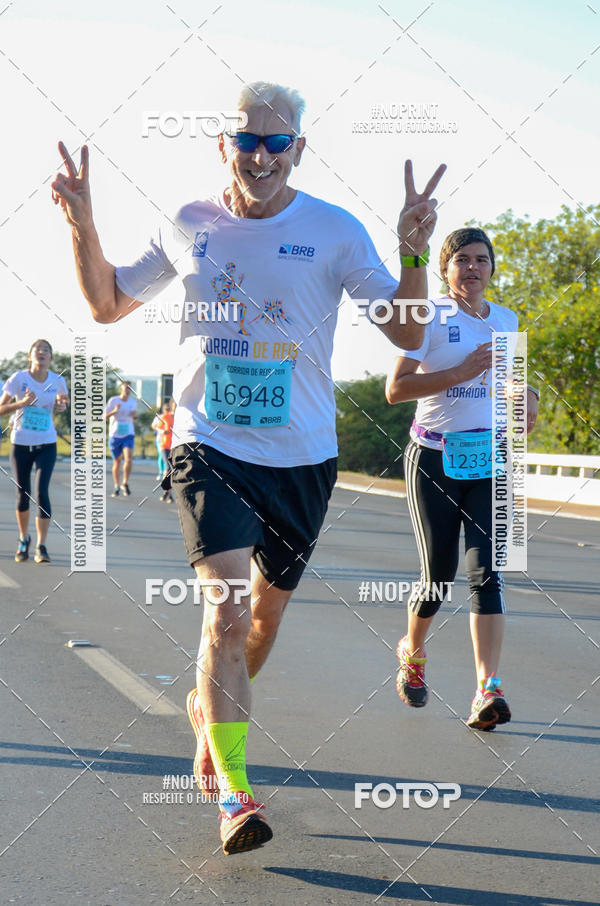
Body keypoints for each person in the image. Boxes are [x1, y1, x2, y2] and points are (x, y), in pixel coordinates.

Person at [52, 80, 445, 854]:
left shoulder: (333, 231)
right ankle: (234, 794)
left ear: (298, 149)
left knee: (262, 621)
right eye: (246, 140)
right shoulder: (190, 222)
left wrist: (411, 252)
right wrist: (82, 223)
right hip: (210, 447)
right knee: (227, 611)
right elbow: (105, 304)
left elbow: (405, 333)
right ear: (223, 145)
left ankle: (211, 711)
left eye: (276, 142)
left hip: (303, 458)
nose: (260, 155)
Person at [385, 227, 539, 730]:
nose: (472, 268)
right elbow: (396, 389)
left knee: (487, 574)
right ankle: (413, 650)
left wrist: (528, 393)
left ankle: (486, 689)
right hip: (434, 457)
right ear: (445, 269)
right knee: (437, 577)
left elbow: (509, 378)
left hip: (490, 456)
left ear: (492, 268)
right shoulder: (427, 316)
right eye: (462, 261)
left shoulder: (507, 319)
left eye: (481, 260)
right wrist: (459, 373)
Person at [0, 339, 68, 563]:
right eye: (37, 350)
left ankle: (41, 544)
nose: (41, 353)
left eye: (46, 350)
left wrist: (61, 406)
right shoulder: (18, 379)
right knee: (23, 495)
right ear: (30, 356)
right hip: (20, 443)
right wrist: (21, 404)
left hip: (46, 443)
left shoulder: (58, 381)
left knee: (42, 493)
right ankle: (23, 539)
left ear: (51, 358)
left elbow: (63, 403)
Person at [105, 381, 137, 497]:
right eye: (126, 388)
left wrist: (135, 415)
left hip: (128, 434)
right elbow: (104, 417)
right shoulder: (113, 400)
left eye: (130, 388)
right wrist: (114, 411)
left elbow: (135, 416)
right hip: (115, 435)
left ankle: (124, 482)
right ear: (121, 389)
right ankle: (116, 485)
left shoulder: (133, 402)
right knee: (117, 461)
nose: (128, 390)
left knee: (128, 459)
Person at [151, 401, 175, 501]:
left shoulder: (181, 418)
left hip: (175, 446)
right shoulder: (165, 417)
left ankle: (167, 492)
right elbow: (156, 426)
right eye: (174, 405)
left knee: (172, 469)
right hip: (165, 445)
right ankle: (167, 492)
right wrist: (162, 431)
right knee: (168, 467)